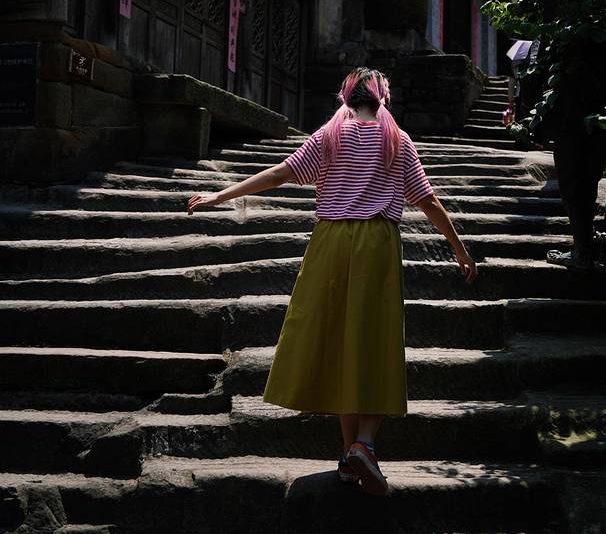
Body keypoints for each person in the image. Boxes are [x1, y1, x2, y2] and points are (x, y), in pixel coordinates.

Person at [187, 67, 477, 496]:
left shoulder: (330, 136)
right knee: (374, 342)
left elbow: (280, 173)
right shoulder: (397, 141)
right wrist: (458, 247)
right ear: (383, 99)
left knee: (342, 343)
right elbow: (427, 199)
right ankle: (364, 444)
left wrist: (221, 194)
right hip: (376, 244)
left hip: (330, 244)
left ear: (346, 97)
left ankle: (347, 457)